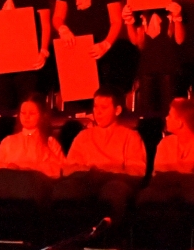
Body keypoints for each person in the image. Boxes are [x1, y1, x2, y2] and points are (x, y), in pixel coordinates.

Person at [52, 0, 129, 98]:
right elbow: (57, 17)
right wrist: (63, 30)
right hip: (74, 50)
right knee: (76, 99)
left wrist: (105, 44)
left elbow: (116, 21)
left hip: (99, 52)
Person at [52, 88, 146, 218]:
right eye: (96, 107)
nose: (98, 112)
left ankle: (107, 229)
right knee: (64, 189)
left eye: (104, 108)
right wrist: (88, 172)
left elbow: (137, 171)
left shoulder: (130, 137)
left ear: (117, 110)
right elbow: (69, 168)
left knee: (114, 191)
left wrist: (106, 172)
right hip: (86, 181)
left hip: (115, 182)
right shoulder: (83, 136)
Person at [0, 94, 64, 205]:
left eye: (32, 113)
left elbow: (59, 169)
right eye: (23, 113)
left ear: (41, 116)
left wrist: (29, 167)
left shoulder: (49, 142)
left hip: (35, 193)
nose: (27, 117)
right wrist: (9, 167)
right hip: (8, 190)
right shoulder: (9, 141)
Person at [137, 99, 194, 204]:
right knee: (146, 195)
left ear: (180, 123)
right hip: (165, 193)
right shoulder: (166, 144)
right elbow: (158, 178)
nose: (166, 118)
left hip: (187, 197)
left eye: (170, 115)